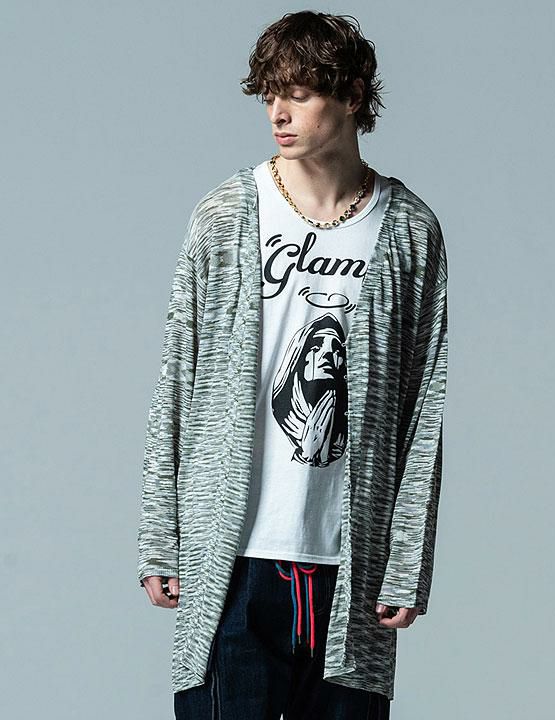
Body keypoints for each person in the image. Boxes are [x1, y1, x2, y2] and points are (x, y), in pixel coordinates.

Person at [137, 10, 449, 720]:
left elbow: (422, 407)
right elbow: (177, 378)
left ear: (352, 95)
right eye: (269, 94)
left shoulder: (408, 230)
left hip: (352, 567)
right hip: (230, 560)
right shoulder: (226, 214)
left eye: (300, 94)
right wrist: (161, 535)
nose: (278, 112)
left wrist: (407, 561)